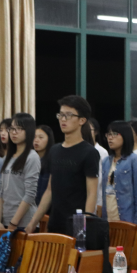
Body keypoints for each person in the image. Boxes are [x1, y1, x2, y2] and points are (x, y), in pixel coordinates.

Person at [26, 96, 100, 235]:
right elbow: (49, 190)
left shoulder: (89, 152)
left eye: (69, 115)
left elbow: (92, 193)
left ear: (82, 120)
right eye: (61, 115)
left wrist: (85, 227)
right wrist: (33, 222)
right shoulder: (54, 150)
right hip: (55, 222)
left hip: (77, 225)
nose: (63, 119)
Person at [0, 113, 40, 230]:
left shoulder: (32, 157)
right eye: (12, 128)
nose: (14, 132)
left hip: (23, 223)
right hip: (5, 220)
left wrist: (13, 223)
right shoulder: (7, 157)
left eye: (19, 129)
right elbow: (1, 191)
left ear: (29, 131)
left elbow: (30, 194)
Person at [101, 121, 137, 224]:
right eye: (108, 134)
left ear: (125, 136)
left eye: (114, 134)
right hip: (107, 220)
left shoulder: (135, 161)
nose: (110, 138)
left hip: (127, 220)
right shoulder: (106, 161)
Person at [33, 125, 54, 206]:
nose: (36, 140)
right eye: (34, 137)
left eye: (41, 137)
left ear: (49, 140)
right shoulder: (30, 159)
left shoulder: (51, 161)